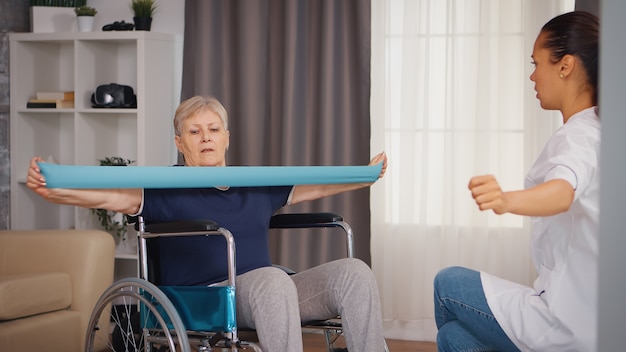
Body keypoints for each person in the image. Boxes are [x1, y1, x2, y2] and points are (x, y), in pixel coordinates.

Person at [27, 95, 388, 352]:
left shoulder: (255, 183)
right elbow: (106, 197)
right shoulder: (162, 188)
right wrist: (55, 190)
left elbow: (317, 186)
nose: (206, 138)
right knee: (273, 279)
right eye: (195, 132)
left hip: (269, 292)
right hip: (206, 298)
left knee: (354, 273)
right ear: (179, 143)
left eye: (213, 129)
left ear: (226, 137)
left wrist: (367, 176)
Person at [433, 11, 599, 352]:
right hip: (588, 316)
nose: (532, 75)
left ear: (565, 66)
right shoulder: (601, 129)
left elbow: (562, 191)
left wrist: (507, 200)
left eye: (537, 63)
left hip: (569, 324)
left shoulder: (579, 136)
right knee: (452, 338)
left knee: (447, 284)